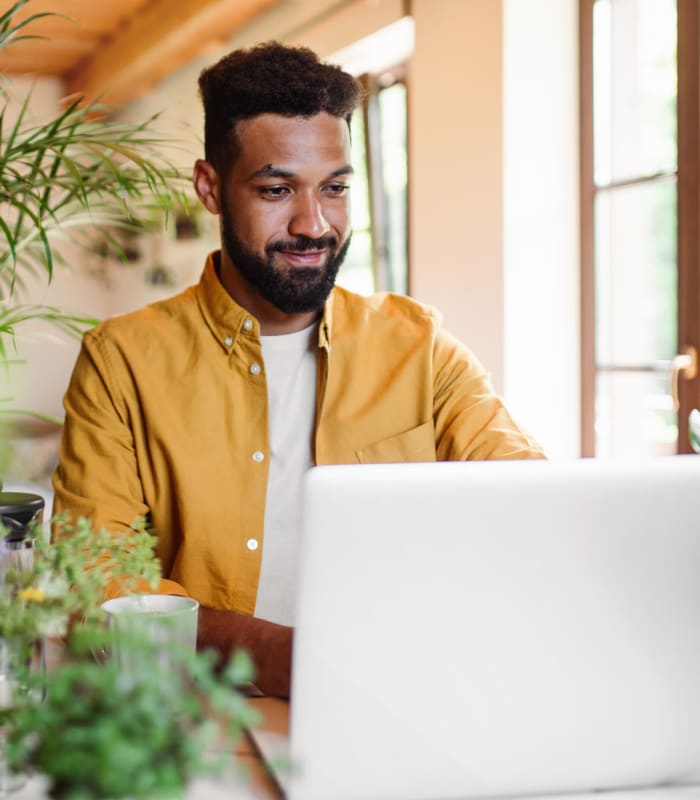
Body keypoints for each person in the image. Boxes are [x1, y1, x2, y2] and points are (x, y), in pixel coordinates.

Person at [52, 42, 544, 698]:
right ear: (210, 188)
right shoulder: (121, 361)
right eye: (277, 189)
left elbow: (530, 508)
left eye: (335, 188)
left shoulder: (420, 347)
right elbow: (96, 579)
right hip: (204, 716)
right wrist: (283, 658)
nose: (314, 224)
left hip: (398, 698)